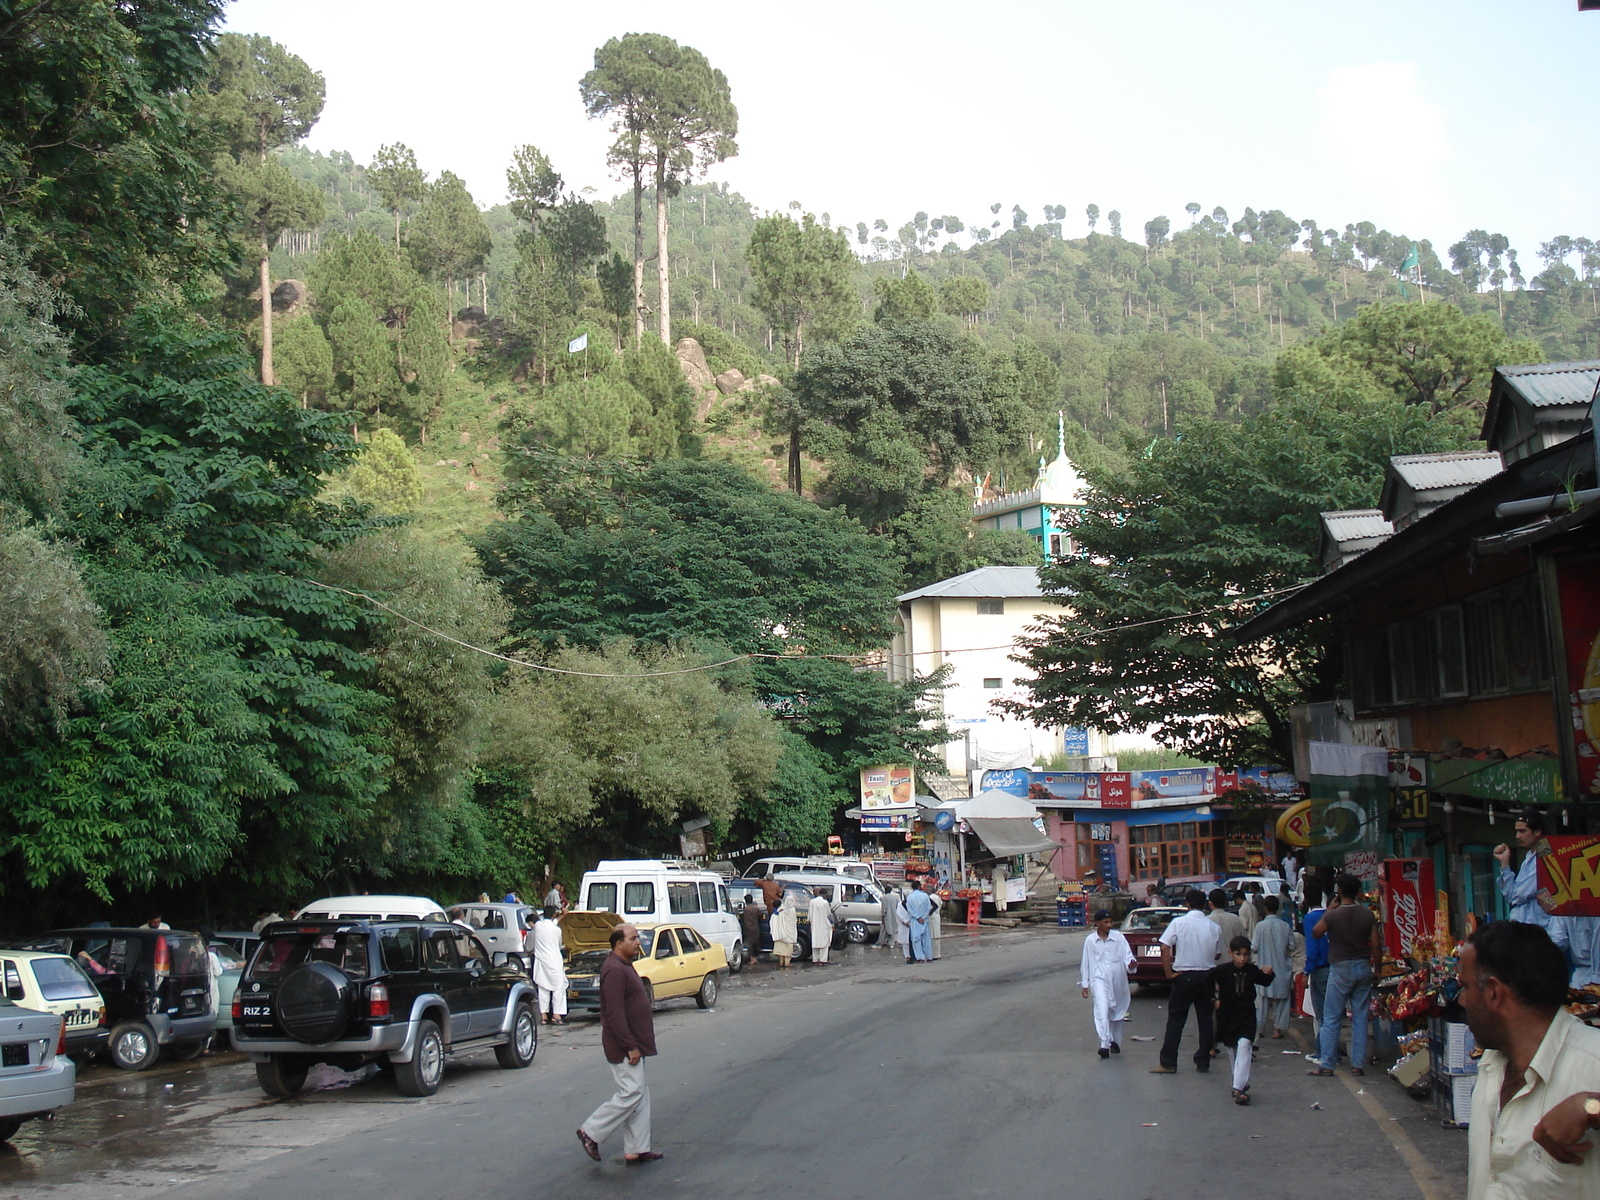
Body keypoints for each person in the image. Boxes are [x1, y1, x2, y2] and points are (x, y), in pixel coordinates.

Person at [1453, 920, 1600, 1198]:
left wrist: (1591, 1107)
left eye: (1467, 987)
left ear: (1494, 992)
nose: (1462, 1000)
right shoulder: (1490, 1069)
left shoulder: (1592, 1061)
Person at [576, 924, 664, 1167]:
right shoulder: (614, 970)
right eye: (633, 938)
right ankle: (590, 1132)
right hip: (624, 1046)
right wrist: (630, 1046)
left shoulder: (624, 965)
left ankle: (637, 1149)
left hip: (635, 1042)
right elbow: (614, 1014)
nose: (638, 942)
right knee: (632, 1092)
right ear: (618, 943)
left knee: (640, 1095)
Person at [1308, 874, 1379, 1078]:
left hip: (1339, 969)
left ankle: (1327, 1064)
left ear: (1338, 892)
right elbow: (1375, 944)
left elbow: (1316, 933)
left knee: (1331, 1018)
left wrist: (1328, 911)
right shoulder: (1367, 915)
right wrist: (1378, 970)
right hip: (1363, 967)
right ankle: (1357, 1064)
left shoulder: (1332, 916)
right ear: (1358, 892)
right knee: (1360, 1018)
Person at [1153, 888, 1221, 1075]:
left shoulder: (1179, 923)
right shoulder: (1213, 926)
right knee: (1205, 1020)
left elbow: (1164, 946)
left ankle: (1168, 1062)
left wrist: (1168, 972)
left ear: (1187, 904)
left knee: (1176, 1020)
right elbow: (1218, 952)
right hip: (1207, 975)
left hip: (1184, 975)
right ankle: (1203, 1060)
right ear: (1205, 904)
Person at [1207, 936, 1275, 1105]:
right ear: (1231, 953)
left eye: (1245, 955)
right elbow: (1206, 981)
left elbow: (1265, 981)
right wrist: (1213, 1000)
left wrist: (1269, 973)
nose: (1242, 958)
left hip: (1246, 1015)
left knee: (1245, 1046)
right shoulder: (1222, 970)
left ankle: (1239, 1088)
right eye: (1238, 954)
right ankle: (1238, 1084)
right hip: (1227, 1015)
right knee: (1232, 1050)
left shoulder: (1252, 971)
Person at [1079, 909, 1135, 1058]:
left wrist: (1131, 965)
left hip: (1118, 980)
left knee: (1116, 1011)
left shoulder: (1119, 938)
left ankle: (1115, 1041)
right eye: (1106, 922)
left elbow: (1128, 958)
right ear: (1097, 923)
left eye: (1110, 922)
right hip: (1099, 979)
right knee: (1102, 1009)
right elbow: (1086, 962)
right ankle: (1104, 1043)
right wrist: (1085, 984)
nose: (1109, 925)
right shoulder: (1091, 941)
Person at [1496, 809, 1553, 928]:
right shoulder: (1529, 857)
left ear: (1537, 831)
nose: (1518, 836)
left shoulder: (1547, 855)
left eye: (1522, 831)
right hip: (1523, 928)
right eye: (1517, 831)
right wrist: (1505, 862)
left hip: (1539, 930)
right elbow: (1510, 894)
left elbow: (1517, 895)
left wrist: (1514, 894)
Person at [1251, 896, 1294, 1040]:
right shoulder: (1285, 926)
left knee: (1262, 1001)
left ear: (1265, 908)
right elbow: (1292, 946)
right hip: (1282, 968)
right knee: (1282, 1001)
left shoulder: (1260, 926)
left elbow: (1254, 948)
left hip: (1264, 968)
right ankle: (1278, 1030)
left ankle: (1259, 1029)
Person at [528, 906, 568, 1025]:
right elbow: (559, 943)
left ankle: (543, 1016)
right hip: (554, 961)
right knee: (558, 989)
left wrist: (561, 916)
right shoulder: (557, 930)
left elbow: (550, 923)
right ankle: (556, 1015)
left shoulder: (538, 927)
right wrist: (562, 915)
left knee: (543, 989)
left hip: (541, 962)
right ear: (553, 915)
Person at [1301, 879, 1331, 1041]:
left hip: (1319, 969)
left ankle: (1324, 1052)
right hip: (1334, 966)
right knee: (1332, 1014)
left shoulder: (1310, 918)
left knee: (1321, 1015)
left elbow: (1312, 949)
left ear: (1305, 899)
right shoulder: (1329, 915)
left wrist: (1306, 971)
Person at [1552, 915, 1600, 988]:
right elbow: (1558, 939)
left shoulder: (1595, 914)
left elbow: (1597, 947)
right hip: (1580, 973)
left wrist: (1596, 978)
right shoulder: (1563, 912)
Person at [1207, 889, 1243, 965]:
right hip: (1234, 963)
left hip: (1214, 965)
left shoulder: (1207, 921)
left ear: (1210, 903)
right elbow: (1243, 942)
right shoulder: (1235, 918)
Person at [904, 879, 934, 963]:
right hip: (924, 920)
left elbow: (909, 909)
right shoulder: (925, 896)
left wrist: (917, 917)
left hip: (915, 921)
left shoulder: (909, 897)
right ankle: (929, 956)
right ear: (919, 887)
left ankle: (920, 958)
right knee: (926, 939)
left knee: (916, 940)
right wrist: (923, 917)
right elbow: (929, 907)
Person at [770, 889, 798, 968]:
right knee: (788, 950)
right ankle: (787, 963)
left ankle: (781, 963)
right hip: (789, 934)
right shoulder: (792, 910)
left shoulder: (780, 911)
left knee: (781, 950)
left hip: (781, 934)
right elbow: (793, 920)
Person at [807, 888, 835, 965]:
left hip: (814, 925)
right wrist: (832, 924)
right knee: (824, 943)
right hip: (824, 925)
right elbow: (829, 914)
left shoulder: (812, 902)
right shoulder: (825, 903)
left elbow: (809, 914)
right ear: (824, 894)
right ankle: (823, 959)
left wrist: (810, 923)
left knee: (815, 942)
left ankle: (815, 959)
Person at [878, 883, 900, 951]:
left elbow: (883, 908)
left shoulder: (884, 898)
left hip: (887, 915)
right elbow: (897, 906)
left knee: (886, 929)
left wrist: (882, 917)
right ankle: (891, 943)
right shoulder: (894, 897)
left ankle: (882, 942)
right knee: (892, 929)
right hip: (894, 915)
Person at [895, 887, 913, 961]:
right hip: (905, 925)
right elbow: (898, 914)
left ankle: (910, 955)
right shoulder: (900, 904)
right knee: (905, 942)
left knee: (910, 941)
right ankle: (907, 956)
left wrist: (906, 921)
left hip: (908, 924)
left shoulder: (902, 904)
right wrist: (905, 921)